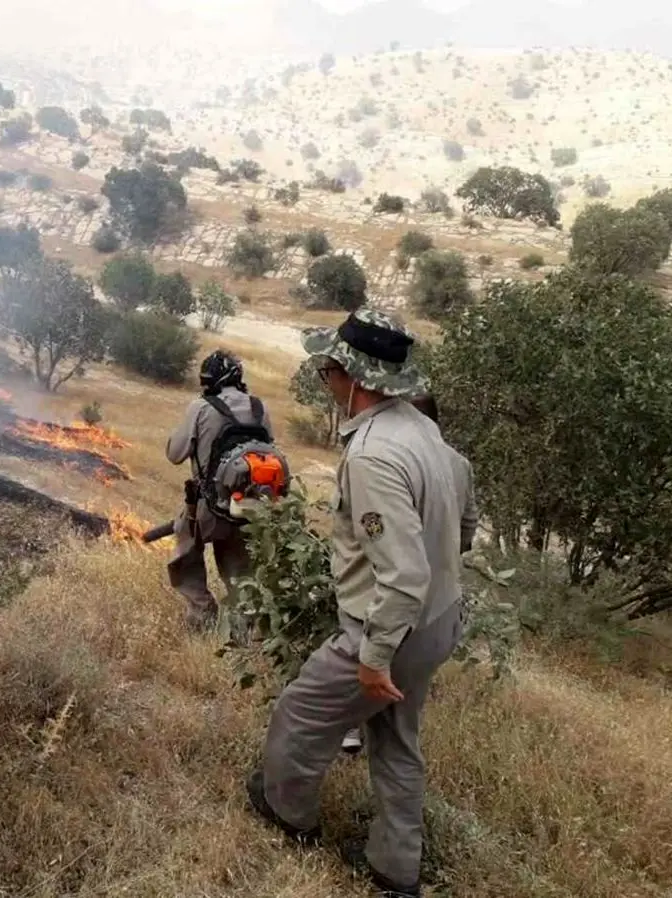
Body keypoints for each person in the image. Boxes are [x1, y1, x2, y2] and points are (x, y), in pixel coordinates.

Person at [245, 308, 476, 898]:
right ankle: (395, 869)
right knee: (397, 740)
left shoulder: (373, 454)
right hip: (437, 623)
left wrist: (373, 659)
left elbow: (401, 575)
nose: (325, 377)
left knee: (299, 716)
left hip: (388, 630)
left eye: (329, 369)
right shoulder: (423, 430)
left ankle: (287, 815)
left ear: (355, 378)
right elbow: (459, 524)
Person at [339, 390, 475, 756]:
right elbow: (467, 529)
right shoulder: (458, 464)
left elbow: (398, 566)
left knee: (307, 710)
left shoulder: (381, 455)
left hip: (388, 608)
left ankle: (285, 797)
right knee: (400, 735)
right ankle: (401, 815)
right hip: (440, 609)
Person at [165, 350, 273, 632]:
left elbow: (175, 454)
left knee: (184, 552)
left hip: (207, 508)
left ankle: (202, 613)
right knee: (240, 574)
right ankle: (241, 631)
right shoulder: (260, 408)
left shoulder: (201, 407)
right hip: (248, 508)